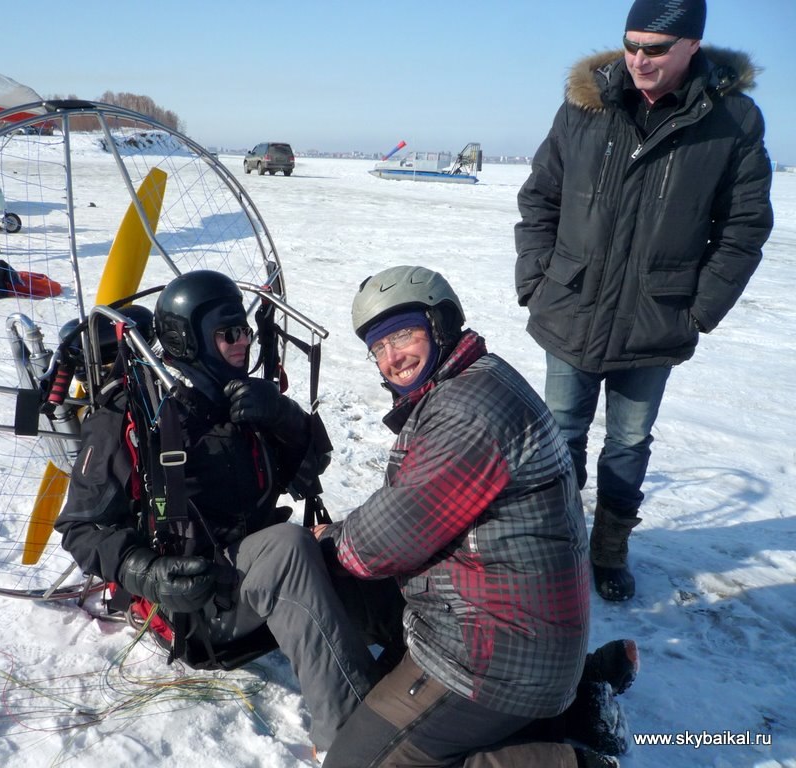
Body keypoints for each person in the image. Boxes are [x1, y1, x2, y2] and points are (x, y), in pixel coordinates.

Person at [55, 270, 404, 754]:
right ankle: (355, 743)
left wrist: (281, 416)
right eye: (228, 332)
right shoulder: (128, 416)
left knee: (365, 542)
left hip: (264, 577)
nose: (243, 342)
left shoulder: (240, 396)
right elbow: (80, 527)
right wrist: (145, 571)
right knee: (288, 547)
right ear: (189, 339)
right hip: (197, 609)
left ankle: (432, 676)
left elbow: (311, 467)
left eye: (245, 330)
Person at [514, 0, 774, 601]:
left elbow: (743, 228)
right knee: (559, 435)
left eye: (655, 48)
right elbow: (540, 198)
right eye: (631, 45)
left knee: (629, 443)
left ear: (692, 46)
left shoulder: (732, 120)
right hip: (571, 305)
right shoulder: (586, 106)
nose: (638, 59)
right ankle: (556, 543)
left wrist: (699, 309)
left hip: (656, 316)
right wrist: (536, 280)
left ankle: (608, 548)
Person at [314, 265, 622, 768]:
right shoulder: (474, 379)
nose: (392, 359)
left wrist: (331, 540)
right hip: (520, 631)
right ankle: (574, 705)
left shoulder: (466, 412)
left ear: (440, 324)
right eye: (378, 348)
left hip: (492, 656)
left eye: (402, 335)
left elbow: (378, 547)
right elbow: (411, 507)